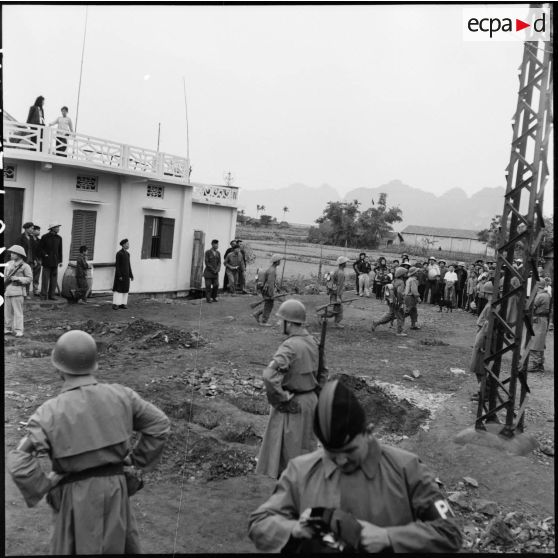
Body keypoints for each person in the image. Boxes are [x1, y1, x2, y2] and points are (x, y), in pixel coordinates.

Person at [249, 380, 462, 553]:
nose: (341, 461)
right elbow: (259, 523)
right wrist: (293, 529)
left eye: (349, 451)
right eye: (332, 455)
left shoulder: (407, 469)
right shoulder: (300, 471)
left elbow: (450, 533)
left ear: (368, 432)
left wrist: (390, 538)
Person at [7, 330, 170, 554]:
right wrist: (135, 461)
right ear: (95, 365)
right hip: (116, 490)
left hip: (74, 498)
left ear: (58, 368)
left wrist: (44, 484)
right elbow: (159, 425)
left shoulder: (49, 413)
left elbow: (19, 459)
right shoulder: (123, 396)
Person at [256, 300, 325, 479]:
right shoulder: (313, 341)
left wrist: (282, 398)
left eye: (281, 320)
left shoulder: (289, 346)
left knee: (288, 455)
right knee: (306, 450)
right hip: (311, 402)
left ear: (290, 323)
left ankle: (290, 498)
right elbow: (323, 373)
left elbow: (268, 375)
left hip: (293, 402)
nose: (279, 324)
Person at [4, 245, 33, 337]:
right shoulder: (8, 264)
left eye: (14, 253)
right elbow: (5, 276)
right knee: (7, 312)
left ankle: (19, 330)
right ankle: (7, 328)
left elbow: (29, 279)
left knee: (18, 312)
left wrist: (18, 278)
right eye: (11, 253)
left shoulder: (25, 266)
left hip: (17, 291)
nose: (11, 254)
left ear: (19, 255)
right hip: (8, 291)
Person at [371, 267, 407, 336]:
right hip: (397, 301)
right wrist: (400, 302)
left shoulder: (394, 280)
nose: (406, 274)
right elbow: (399, 293)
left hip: (391, 301)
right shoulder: (401, 282)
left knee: (390, 315)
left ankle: (376, 322)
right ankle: (399, 332)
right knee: (400, 316)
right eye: (405, 273)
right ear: (402, 274)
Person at [528, 280, 551, 373]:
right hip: (543, 320)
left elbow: (531, 307)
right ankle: (540, 364)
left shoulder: (540, 296)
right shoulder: (547, 295)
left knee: (535, 342)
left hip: (538, 320)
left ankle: (535, 364)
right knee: (540, 343)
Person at [253, 254, 283, 327]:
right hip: (267, 290)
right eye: (279, 260)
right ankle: (264, 321)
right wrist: (271, 294)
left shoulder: (271, 269)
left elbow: (271, 283)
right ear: (276, 261)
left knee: (268, 304)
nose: (280, 262)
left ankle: (257, 314)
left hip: (266, 290)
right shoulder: (272, 271)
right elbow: (270, 283)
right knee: (269, 305)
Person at [39, 224, 63, 300]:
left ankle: (52, 295)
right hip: (46, 262)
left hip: (55, 262)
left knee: (54, 280)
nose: (58, 229)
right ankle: (43, 295)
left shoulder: (59, 238)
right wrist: (44, 254)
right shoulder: (45, 237)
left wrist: (60, 260)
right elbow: (40, 248)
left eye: (58, 227)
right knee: (45, 279)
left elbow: (60, 250)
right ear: (52, 228)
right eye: (57, 227)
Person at [327, 256, 349, 329]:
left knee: (336, 308)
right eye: (345, 262)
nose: (346, 263)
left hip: (333, 292)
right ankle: (336, 323)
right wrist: (338, 296)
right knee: (338, 309)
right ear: (343, 264)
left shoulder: (336, 270)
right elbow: (339, 285)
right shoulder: (341, 273)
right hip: (336, 293)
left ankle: (331, 320)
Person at [112, 239, 134, 310]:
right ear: (123, 245)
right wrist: (119, 275)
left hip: (126, 275)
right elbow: (117, 265)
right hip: (120, 276)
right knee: (118, 290)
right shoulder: (119, 253)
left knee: (125, 290)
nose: (128, 245)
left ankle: (122, 304)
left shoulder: (127, 254)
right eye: (127, 244)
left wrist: (131, 275)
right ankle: (115, 304)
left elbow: (129, 265)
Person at [18, 222, 35, 297]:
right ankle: (20, 293)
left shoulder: (32, 238)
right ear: (26, 228)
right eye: (31, 228)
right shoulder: (20, 237)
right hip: (23, 259)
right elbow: (18, 249)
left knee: (29, 277)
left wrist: (35, 259)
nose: (32, 230)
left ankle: (27, 293)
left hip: (30, 260)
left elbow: (34, 249)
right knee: (21, 277)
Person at [404, 266, 421, 330]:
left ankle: (413, 325)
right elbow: (414, 291)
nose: (418, 273)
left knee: (413, 311)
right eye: (417, 272)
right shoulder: (413, 280)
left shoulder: (409, 279)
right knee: (408, 311)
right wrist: (418, 298)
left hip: (408, 296)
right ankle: (398, 319)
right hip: (410, 297)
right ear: (414, 273)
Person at [31, 225, 42, 296]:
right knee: (28, 275)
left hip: (38, 260)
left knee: (36, 276)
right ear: (33, 231)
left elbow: (41, 250)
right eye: (37, 230)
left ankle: (35, 290)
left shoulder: (39, 240)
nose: (39, 231)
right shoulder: (29, 239)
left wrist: (40, 260)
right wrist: (33, 259)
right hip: (31, 259)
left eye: (39, 230)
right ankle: (26, 291)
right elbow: (30, 250)